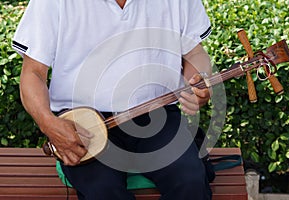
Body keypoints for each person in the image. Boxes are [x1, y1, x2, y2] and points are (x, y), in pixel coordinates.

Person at [13, 0, 213, 199]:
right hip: (82, 125)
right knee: (104, 192)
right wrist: (49, 124)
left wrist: (197, 81)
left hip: (158, 117)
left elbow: (195, 53)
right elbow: (33, 73)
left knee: (190, 181)